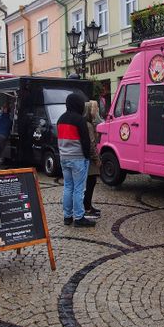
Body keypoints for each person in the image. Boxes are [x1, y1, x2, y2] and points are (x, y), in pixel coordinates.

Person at [57, 93, 95, 228]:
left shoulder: (61, 119)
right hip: (78, 158)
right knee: (79, 189)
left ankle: (67, 217)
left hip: (64, 158)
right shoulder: (80, 120)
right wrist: (87, 156)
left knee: (68, 186)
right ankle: (79, 217)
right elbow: (85, 142)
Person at [83, 101, 102, 219]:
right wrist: (97, 159)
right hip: (90, 159)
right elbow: (91, 144)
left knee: (91, 182)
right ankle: (87, 207)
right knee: (90, 182)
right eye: (95, 110)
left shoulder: (88, 124)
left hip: (89, 158)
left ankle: (88, 205)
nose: (96, 112)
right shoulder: (88, 125)